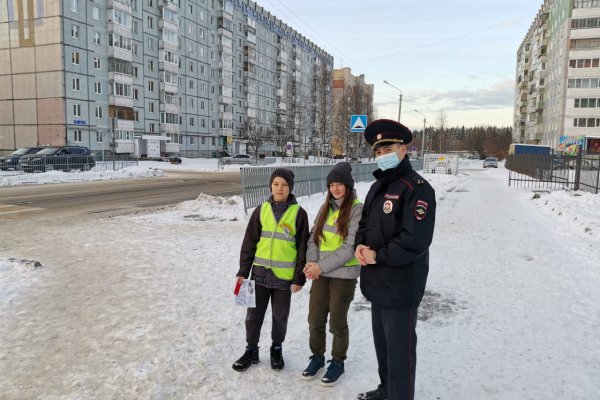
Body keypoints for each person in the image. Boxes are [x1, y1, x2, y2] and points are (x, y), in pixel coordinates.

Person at [354, 119, 436, 400]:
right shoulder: (378, 186)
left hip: (401, 286)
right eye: (377, 151)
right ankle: (387, 389)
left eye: (387, 148)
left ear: (403, 149)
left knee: (400, 352)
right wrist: (359, 246)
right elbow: (364, 224)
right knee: (384, 347)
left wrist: (378, 255)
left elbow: (415, 240)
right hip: (377, 284)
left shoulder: (417, 188)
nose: (381, 155)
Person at [232, 168, 310, 372]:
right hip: (258, 275)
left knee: (280, 316)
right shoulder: (261, 210)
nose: (279, 188)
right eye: (276, 184)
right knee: (253, 316)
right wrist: (242, 271)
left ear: (290, 188)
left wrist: (299, 278)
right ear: (270, 186)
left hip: (283, 278)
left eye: (284, 184)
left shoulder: (299, 214)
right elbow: (249, 243)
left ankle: (276, 348)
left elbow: (303, 247)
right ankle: (251, 350)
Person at [301, 162, 363, 387]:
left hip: (343, 276)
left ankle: (338, 361)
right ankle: (317, 357)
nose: (335, 188)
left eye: (340, 184)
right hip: (321, 273)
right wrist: (310, 262)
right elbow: (313, 238)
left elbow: (349, 247)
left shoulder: (357, 208)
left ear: (348, 185)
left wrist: (320, 266)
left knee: (337, 321)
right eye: (332, 184)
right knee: (315, 319)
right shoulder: (325, 207)